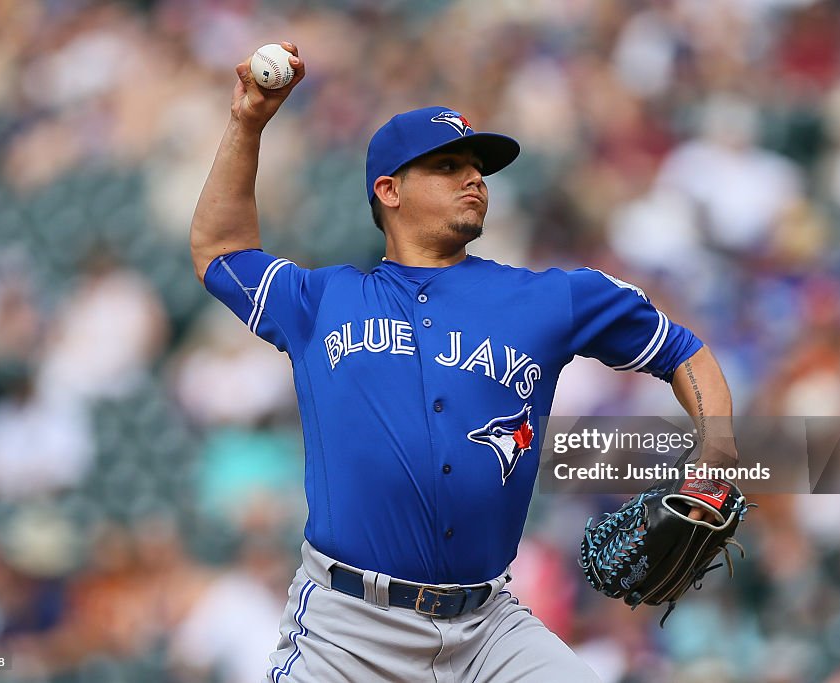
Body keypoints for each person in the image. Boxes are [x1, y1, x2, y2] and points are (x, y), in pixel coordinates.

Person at [190, 42, 738, 683]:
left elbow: (684, 352)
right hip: (346, 633)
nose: (474, 178)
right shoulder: (322, 300)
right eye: (447, 166)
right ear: (389, 191)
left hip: (488, 631)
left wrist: (717, 443)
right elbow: (220, 250)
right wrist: (247, 123)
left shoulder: (548, 299)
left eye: (477, 167)